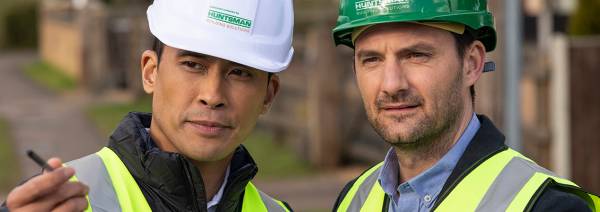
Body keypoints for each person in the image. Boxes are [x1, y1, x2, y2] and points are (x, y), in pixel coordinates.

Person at [1, 0, 294, 211]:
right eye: (193, 64)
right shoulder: (61, 202)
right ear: (150, 72)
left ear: (268, 95)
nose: (212, 95)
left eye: (240, 72)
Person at [330, 0, 600, 211]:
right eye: (372, 59)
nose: (391, 84)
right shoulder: (352, 200)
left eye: (415, 55)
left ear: (471, 63)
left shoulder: (546, 206)